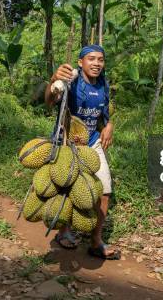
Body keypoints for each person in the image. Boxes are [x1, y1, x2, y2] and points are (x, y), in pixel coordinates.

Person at [44, 44, 121, 260]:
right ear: (81, 62)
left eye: (101, 60)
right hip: (67, 141)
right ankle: (63, 231)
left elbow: (104, 113)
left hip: (92, 142)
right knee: (65, 188)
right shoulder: (71, 81)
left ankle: (96, 241)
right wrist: (53, 81)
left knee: (105, 190)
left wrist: (108, 125)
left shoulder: (103, 84)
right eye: (91, 59)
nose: (97, 63)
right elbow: (50, 101)